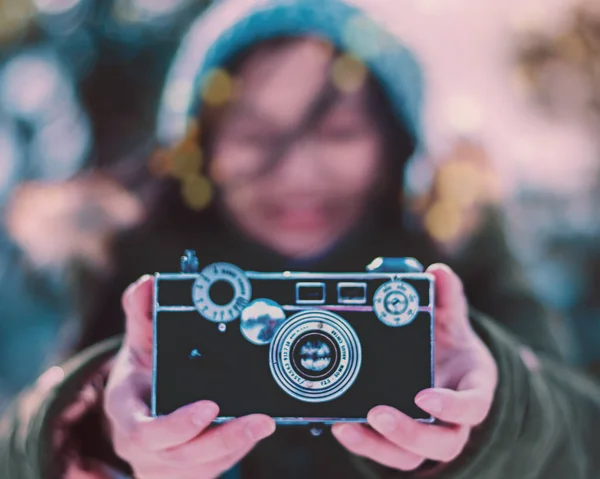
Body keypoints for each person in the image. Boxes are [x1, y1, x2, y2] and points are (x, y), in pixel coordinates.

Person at [2, 0, 600, 478]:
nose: (296, 174)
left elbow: (585, 439)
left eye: (338, 130)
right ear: (199, 151)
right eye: (257, 135)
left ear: (396, 141)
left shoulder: (462, 252)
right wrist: (95, 436)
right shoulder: (119, 263)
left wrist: (498, 412)